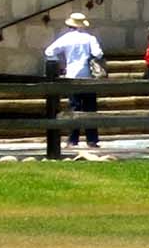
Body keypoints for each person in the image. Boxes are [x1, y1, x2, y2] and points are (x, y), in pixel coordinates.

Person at [42, 11, 105, 150]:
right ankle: (92, 139)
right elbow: (98, 53)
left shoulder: (66, 38)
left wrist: (59, 64)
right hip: (88, 76)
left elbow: (49, 51)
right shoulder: (90, 38)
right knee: (90, 109)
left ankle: (73, 139)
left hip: (71, 76)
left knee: (74, 107)